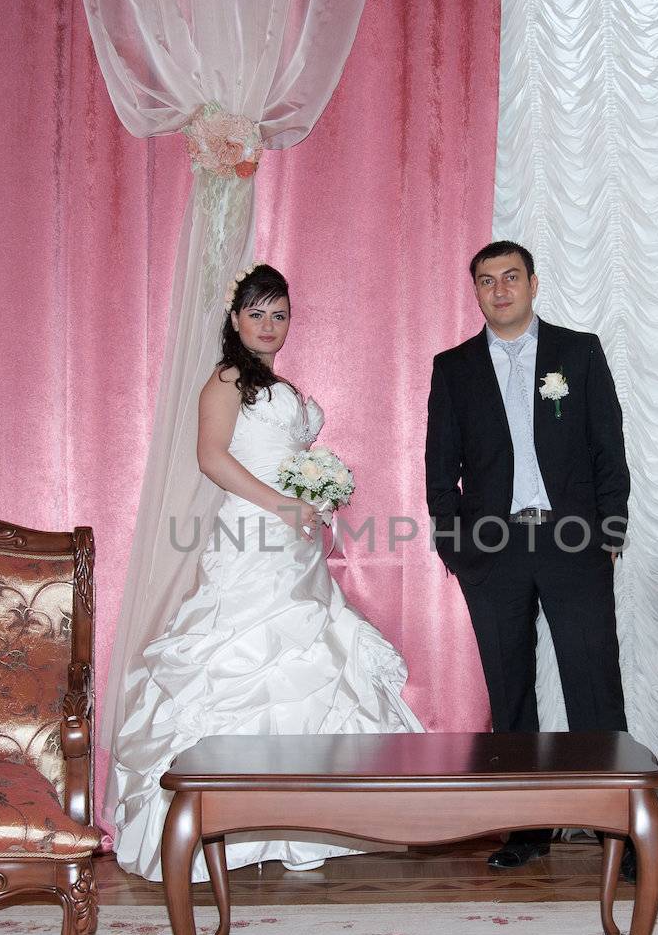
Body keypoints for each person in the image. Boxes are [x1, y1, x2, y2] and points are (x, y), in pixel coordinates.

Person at [108, 263, 423, 882]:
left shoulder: (277, 385)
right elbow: (210, 458)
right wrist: (285, 503)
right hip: (251, 538)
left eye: (279, 314)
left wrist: (316, 494)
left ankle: (307, 825)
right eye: (257, 313)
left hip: (295, 545)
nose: (269, 325)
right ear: (234, 319)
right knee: (249, 662)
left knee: (308, 661)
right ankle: (239, 827)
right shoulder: (227, 380)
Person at [424, 240, 632, 873]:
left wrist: (609, 536)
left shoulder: (579, 351)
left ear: (534, 284)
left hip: (573, 545)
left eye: (511, 277)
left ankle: (618, 833)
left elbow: (608, 447)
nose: (500, 290)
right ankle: (527, 828)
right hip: (494, 550)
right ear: (477, 293)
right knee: (510, 695)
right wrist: (457, 548)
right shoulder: (453, 367)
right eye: (486, 281)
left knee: (594, 689)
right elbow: (440, 468)